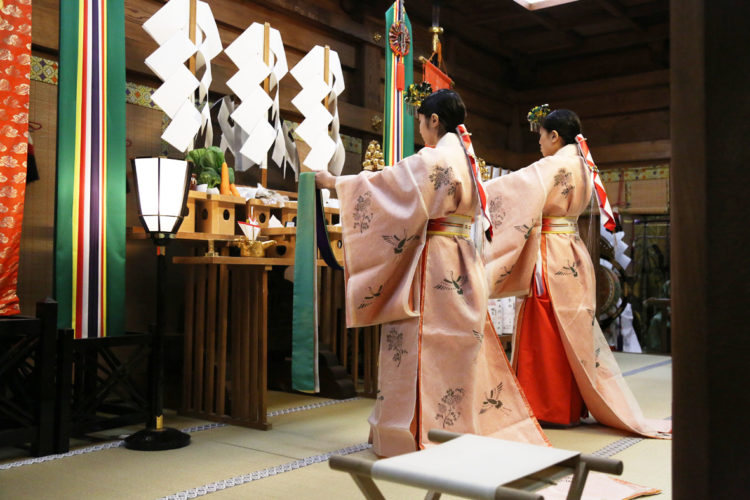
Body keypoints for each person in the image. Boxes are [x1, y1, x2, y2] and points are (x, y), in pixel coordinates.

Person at [315, 90, 547, 457]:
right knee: (457, 347)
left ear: (433, 120)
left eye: (421, 121)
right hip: (463, 261)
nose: (420, 129)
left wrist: (334, 183)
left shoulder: (435, 157)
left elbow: (387, 186)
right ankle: (455, 428)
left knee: (416, 343)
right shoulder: (468, 159)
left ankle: (414, 433)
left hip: (435, 260)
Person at [482, 109, 671, 438]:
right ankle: (569, 405)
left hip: (549, 255)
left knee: (547, 327)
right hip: (572, 250)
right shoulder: (584, 164)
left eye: (541, 136)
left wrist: (480, 185)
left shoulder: (553, 165)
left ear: (555, 136)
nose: (539, 142)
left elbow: (512, 189)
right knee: (573, 331)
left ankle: (546, 407)